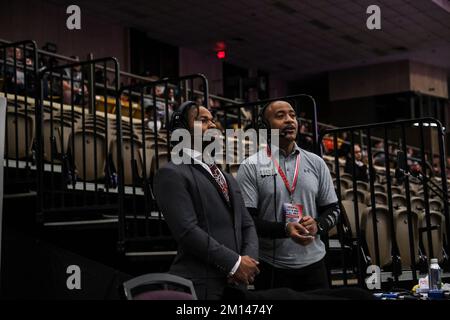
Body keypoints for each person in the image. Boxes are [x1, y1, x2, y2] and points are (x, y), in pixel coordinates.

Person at [154, 102, 259, 300]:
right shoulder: (171, 172)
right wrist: (234, 263)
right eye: (203, 120)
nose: (213, 125)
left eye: (213, 120)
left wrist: (247, 263)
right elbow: (187, 231)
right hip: (198, 285)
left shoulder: (227, 176)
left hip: (237, 284)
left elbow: (247, 224)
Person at [236, 100, 340, 292]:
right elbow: (248, 220)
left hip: (315, 264)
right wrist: (284, 229)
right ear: (265, 127)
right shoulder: (251, 166)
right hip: (272, 267)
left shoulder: (316, 163)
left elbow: (333, 209)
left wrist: (318, 224)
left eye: (292, 115)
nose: (290, 120)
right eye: (280, 116)